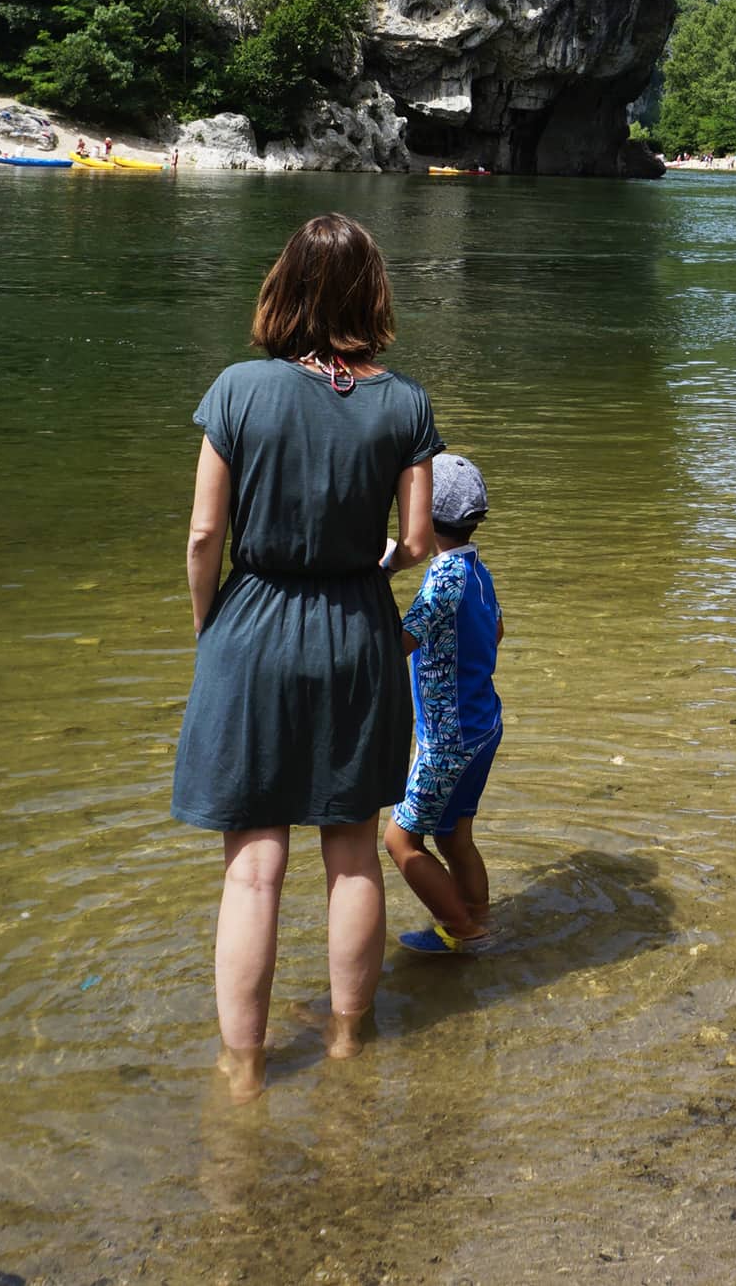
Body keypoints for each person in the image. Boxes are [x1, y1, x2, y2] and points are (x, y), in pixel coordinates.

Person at [171, 213, 440, 1101]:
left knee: (254, 866)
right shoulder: (404, 402)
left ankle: (242, 1070)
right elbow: (417, 541)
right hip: (357, 629)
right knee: (353, 853)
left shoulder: (238, 390)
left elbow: (207, 532)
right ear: (372, 293)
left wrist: (212, 625)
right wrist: (369, 571)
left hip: (252, 625)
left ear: (282, 286)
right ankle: (345, 1046)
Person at [384, 453, 503, 955]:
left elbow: (397, 645)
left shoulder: (440, 583)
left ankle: (461, 927)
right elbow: (497, 630)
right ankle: (477, 918)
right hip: (483, 726)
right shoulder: (476, 571)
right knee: (455, 835)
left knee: (400, 841)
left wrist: (379, 578)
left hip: (446, 740)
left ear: (425, 520)